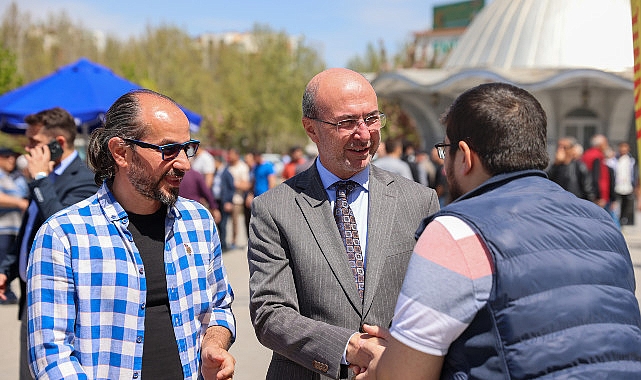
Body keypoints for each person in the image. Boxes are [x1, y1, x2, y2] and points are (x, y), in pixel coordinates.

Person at [356, 82, 641, 379]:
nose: (444, 163)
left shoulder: (457, 230)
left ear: (464, 156)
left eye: (445, 151)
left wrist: (380, 363)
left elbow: (404, 376)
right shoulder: (603, 223)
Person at [26, 89, 236, 379]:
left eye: (187, 148)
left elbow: (219, 307)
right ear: (121, 152)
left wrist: (214, 344)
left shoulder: (198, 221)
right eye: (168, 149)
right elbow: (51, 355)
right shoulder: (63, 235)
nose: (184, 163)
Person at [247, 67, 439, 379]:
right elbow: (270, 315)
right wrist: (348, 348)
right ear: (311, 129)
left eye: (372, 118)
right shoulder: (274, 209)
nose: (364, 134)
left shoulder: (420, 202)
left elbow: (434, 300)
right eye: (347, 122)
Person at [0, 107, 99, 380]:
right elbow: (28, 230)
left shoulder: (84, 180)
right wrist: (7, 271)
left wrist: (41, 179)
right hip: (32, 302)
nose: (28, 149)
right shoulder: (44, 178)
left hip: (62, 307)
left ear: (59, 144)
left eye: (35, 143)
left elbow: (61, 227)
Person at [0, 148, 29, 305]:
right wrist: (19, 202)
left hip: (14, 228)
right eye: (6, 156)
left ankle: (8, 291)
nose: (11, 159)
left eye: (13, 156)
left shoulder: (12, 177)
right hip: (2, 229)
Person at [546, 136, 596, 201]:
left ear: (572, 149)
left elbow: (588, 189)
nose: (560, 150)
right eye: (559, 147)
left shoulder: (579, 166)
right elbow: (547, 181)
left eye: (564, 148)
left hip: (575, 204)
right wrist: (556, 164)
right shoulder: (556, 166)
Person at [226, 148, 251, 249]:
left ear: (237, 155)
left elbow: (246, 184)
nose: (229, 156)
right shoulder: (228, 166)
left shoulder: (242, 167)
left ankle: (234, 241)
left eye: (231, 154)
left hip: (237, 199)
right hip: (227, 198)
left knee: (235, 222)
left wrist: (233, 184)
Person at [212, 154, 235, 251]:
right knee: (218, 222)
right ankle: (220, 242)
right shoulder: (215, 173)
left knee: (223, 223)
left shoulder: (226, 173)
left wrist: (229, 201)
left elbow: (231, 188)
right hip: (217, 200)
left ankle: (224, 244)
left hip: (224, 201)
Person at [613, 142, 638, 225]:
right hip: (616, 186)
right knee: (615, 205)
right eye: (622, 147)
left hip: (627, 187)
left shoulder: (631, 160)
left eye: (625, 147)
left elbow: (634, 174)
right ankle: (615, 221)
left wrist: (634, 186)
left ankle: (622, 221)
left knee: (625, 205)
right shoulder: (614, 159)